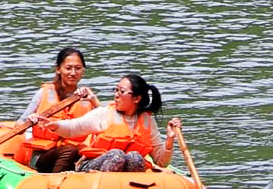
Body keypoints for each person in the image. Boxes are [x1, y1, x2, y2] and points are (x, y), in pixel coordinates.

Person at [27, 73, 180, 174]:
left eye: (121, 91)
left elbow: (161, 162)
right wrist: (53, 125)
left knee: (135, 157)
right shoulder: (105, 113)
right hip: (92, 167)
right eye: (116, 90)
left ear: (137, 98)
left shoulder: (147, 121)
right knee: (117, 155)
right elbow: (74, 127)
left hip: (126, 179)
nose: (116, 95)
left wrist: (170, 139)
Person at [18, 46, 99, 173]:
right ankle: (54, 183)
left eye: (78, 68)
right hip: (42, 156)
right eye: (68, 68)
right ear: (58, 69)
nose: (73, 73)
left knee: (74, 151)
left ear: (83, 70)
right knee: (69, 151)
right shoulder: (44, 92)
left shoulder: (87, 97)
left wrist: (95, 101)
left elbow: (106, 125)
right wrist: (30, 119)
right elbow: (19, 125)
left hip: (76, 155)